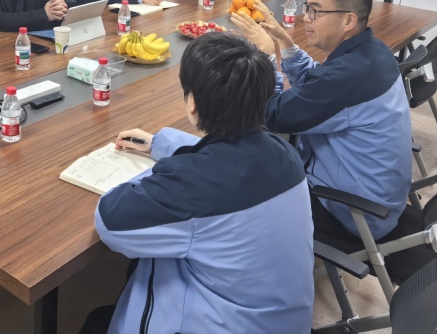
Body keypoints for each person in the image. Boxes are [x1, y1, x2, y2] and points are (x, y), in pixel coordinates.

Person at [82, 34, 314, 334]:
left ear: (192, 104)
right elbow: (229, 156)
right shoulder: (285, 153)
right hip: (283, 323)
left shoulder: (191, 184)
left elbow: (110, 220)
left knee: (97, 320)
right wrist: (161, 143)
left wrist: (170, 167)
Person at [229, 0, 412, 241]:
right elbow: (318, 85)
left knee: (237, 172)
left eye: (316, 11)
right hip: (379, 199)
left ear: (348, 20)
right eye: (307, 8)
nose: (306, 18)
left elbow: (272, 115)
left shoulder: (345, 78)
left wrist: (266, 57)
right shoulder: (373, 52)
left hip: (351, 213)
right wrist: (285, 42)